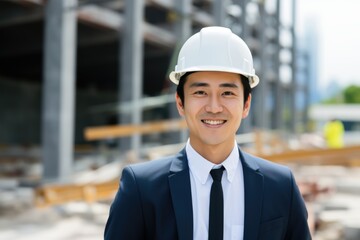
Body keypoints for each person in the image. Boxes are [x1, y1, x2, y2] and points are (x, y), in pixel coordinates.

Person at [104, 26, 311, 240]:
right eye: (200, 92)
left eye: (227, 92)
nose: (214, 107)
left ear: (246, 104)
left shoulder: (280, 186)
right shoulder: (141, 188)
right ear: (180, 103)